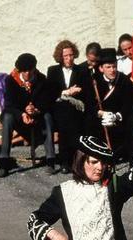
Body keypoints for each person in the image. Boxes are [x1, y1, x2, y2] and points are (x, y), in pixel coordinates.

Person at [0, 53, 57, 178]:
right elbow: (9, 104)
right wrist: (22, 113)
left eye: (30, 71)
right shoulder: (11, 80)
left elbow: (47, 101)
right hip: (18, 115)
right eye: (24, 71)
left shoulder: (41, 79)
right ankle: (3, 161)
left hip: (37, 115)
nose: (27, 74)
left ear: (34, 69)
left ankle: (51, 159)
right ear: (19, 71)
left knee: (48, 117)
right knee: (7, 117)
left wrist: (36, 110)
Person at [84, 48, 133, 163]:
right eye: (108, 67)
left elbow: (130, 102)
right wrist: (101, 113)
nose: (112, 70)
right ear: (101, 68)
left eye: (114, 67)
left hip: (119, 116)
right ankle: (96, 156)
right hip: (101, 117)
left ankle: (132, 158)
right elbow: (88, 103)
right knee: (89, 121)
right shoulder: (93, 81)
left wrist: (117, 116)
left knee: (132, 121)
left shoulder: (123, 80)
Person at [47, 40, 91, 174]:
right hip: (58, 107)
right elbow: (50, 92)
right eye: (65, 56)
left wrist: (76, 93)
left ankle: (73, 160)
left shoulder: (82, 70)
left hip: (77, 108)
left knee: (71, 115)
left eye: (71, 55)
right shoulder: (53, 71)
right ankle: (65, 161)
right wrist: (67, 92)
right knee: (65, 112)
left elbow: (87, 91)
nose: (69, 58)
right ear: (60, 57)